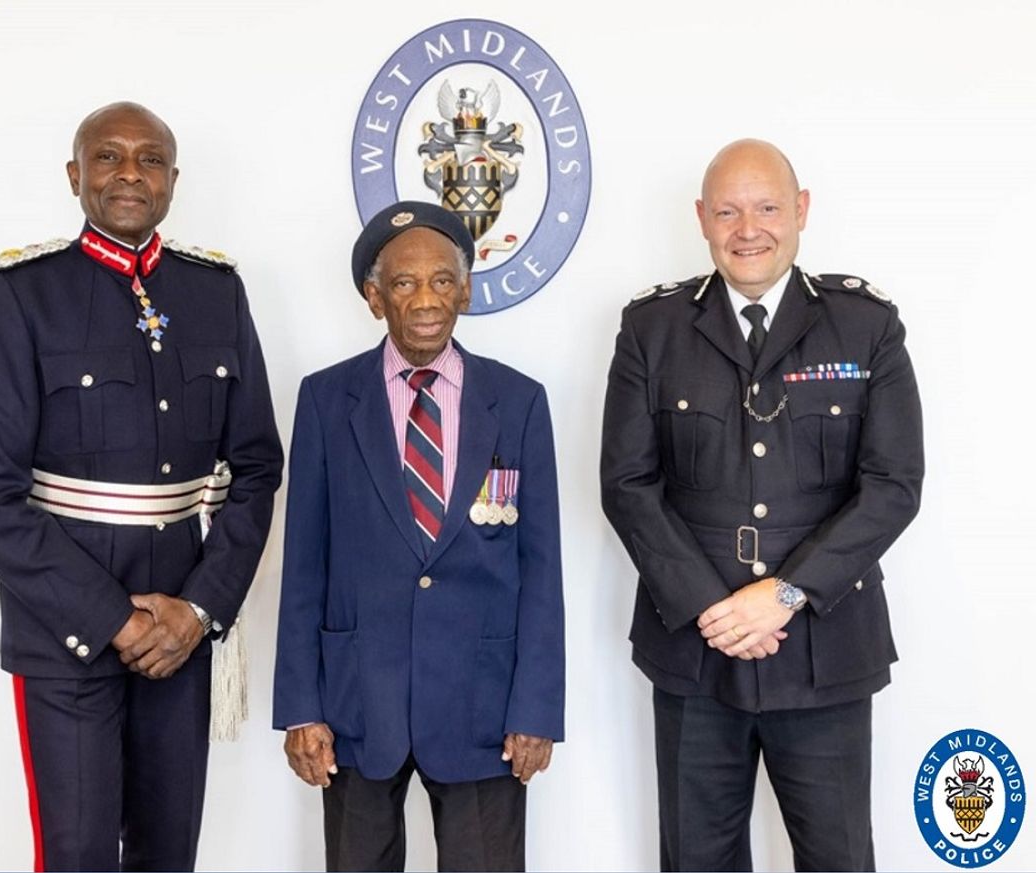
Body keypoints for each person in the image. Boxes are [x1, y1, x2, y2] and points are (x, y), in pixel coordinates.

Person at [0, 101, 283, 871]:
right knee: (79, 854)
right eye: (108, 157)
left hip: (181, 631)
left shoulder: (216, 291)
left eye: (149, 158)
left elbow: (257, 466)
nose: (130, 172)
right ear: (75, 176)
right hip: (65, 635)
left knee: (169, 854)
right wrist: (110, 618)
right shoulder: (21, 295)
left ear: (171, 180)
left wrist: (199, 610)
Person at [600, 140, 924, 872]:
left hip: (824, 650)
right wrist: (716, 610)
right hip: (693, 653)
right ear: (702, 220)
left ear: (802, 209)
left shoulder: (866, 325)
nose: (748, 228)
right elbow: (627, 484)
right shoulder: (651, 330)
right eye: (728, 211)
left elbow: (894, 484)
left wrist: (783, 594)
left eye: (768, 207)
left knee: (838, 858)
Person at [272, 201, 564, 872]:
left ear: (465, 289)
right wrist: (301, 707)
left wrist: (537, 707)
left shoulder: (517, 402)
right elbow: (303, 568)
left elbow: (541, 569)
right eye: (404, 283)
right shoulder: (325, 399)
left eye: (441, 280)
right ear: (375, 298)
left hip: (484, 709)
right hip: (355, 706)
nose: (425, 298)